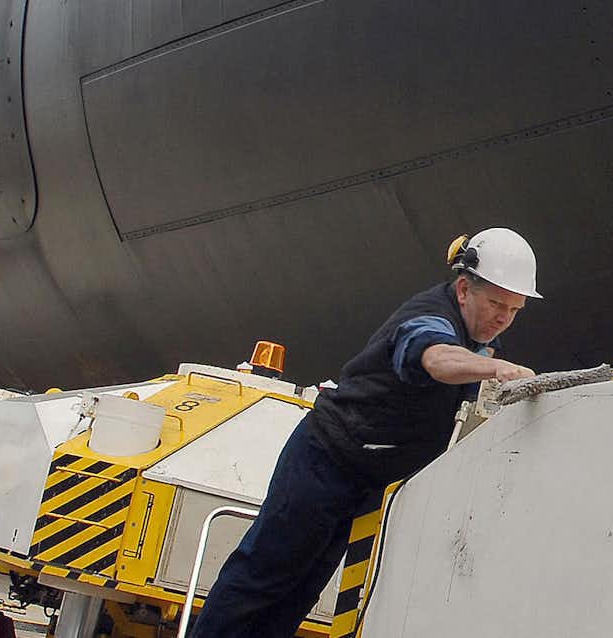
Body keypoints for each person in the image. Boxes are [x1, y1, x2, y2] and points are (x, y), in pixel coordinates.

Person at [190, 228, 542, 638]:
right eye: (497, 303)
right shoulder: (430, 317)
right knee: (262, 575)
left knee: (301, 591)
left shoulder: (478, 342)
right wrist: (498, 369)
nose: (504, 318)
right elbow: (436, 359)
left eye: (515, 309)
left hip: (367, 479)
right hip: (326, 459)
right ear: (464, 289)